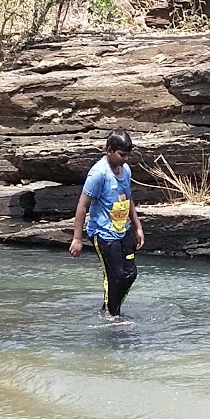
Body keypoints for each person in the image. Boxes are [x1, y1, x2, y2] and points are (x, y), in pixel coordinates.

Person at [69, 129, 145, 318]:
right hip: (103, 234)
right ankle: (114, 316)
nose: (125, 159)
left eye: (128, 155)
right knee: (115, 276)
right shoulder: (98, 174)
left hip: (123, 230)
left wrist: (137, 227)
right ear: (109, 150)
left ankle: (108, 309)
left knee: (130, 274)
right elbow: (82, 205)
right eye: (122, 154)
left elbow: (128, 200)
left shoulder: (125, 170)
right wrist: (77, 239)